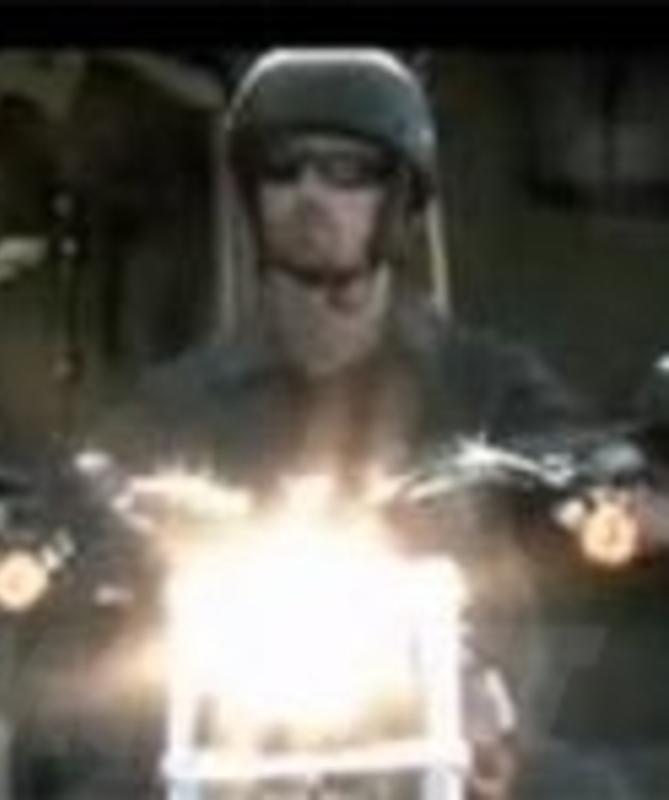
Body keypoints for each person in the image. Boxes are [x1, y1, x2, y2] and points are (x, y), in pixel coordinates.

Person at [71, 48, 633, 800]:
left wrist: (616, 487)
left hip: (452, 724)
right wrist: (68, 521)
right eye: (284, 170)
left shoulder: (485, 381)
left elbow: (580, 455)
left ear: (400, 199)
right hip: (230, 731)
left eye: (347, 172)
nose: (310, 194)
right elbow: (94, 489)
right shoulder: (175, 403)